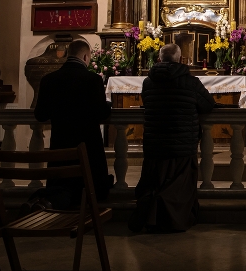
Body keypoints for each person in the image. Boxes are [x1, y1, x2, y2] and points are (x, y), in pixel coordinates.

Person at [129, 44, 215, 233]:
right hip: (182, 143)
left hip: (155, 142)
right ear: (180, 59)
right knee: (178, 186)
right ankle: (174, 221)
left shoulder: (148, 82)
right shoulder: (191, 82)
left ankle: (151, 217)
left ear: (159, 59)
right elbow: (208, 105)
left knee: (155, 181)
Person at [33, 39, 113, 207]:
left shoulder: (49, 80)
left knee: (60, 191)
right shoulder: (93, 80)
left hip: (60, 146)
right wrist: (107, 105)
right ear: (85, 57)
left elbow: (40, 115)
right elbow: (101, 113)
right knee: (89, 188)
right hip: (87, 148)